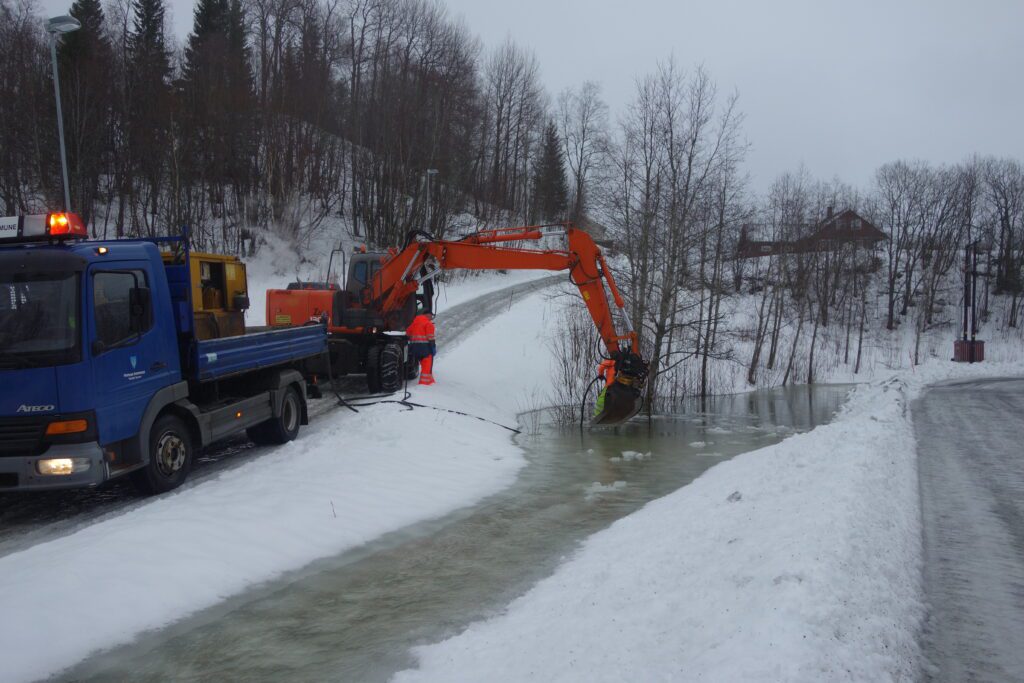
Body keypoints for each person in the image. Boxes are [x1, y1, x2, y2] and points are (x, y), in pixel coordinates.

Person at [406, 310, 436, 385]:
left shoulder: (414, 323)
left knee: (424, 365)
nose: (431, 318)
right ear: (427, 315)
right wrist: (433, 347)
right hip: (425, 348)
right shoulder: (428, 324)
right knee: (427, 365)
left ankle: (430, 381)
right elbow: (430, 338)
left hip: (415, 348)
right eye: (431, 316)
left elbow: (408, 332)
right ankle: (424, 384)